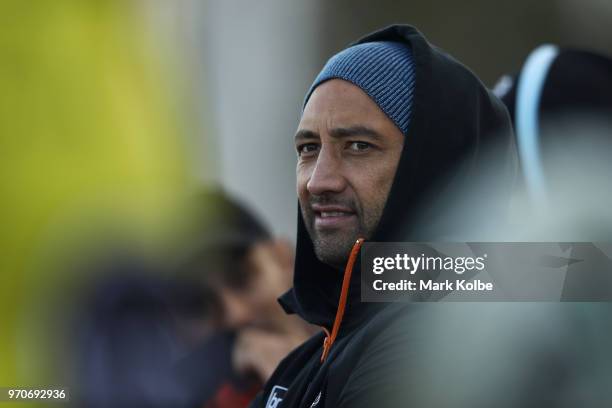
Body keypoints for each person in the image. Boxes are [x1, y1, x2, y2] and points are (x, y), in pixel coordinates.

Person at [249, 24, 517, 408]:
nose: (318, 181)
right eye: (308, 148)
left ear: (435, 167)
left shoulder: (434, 342)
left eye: (358, 146)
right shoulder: (309, 357)